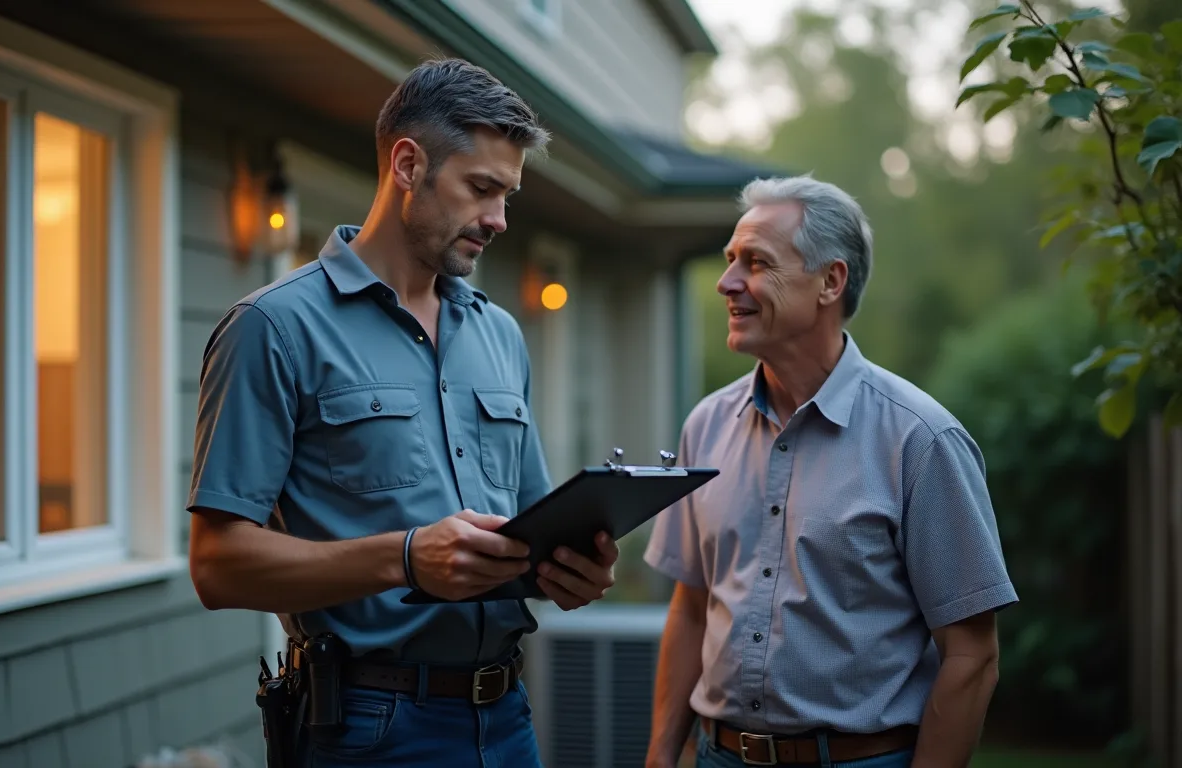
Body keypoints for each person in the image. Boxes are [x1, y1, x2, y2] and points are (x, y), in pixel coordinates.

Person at [185, 58, 618, 767]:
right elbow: (217, 565)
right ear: (409, 165)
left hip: (508, 718)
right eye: (481, 189)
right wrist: (406, 558)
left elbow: (534, 527)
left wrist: (575, 569)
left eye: (507, 196)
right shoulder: (273, 326)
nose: (499, 220)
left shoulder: (501, 334)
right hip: (368, 726)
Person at [642, 175, 1018, 768]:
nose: (727, 282)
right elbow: (691, 606)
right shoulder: (705, 426)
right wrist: (662, 754)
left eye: (757, 262)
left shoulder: (921, 440)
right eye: (729, 260)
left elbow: (972, 658)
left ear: (830, 281)